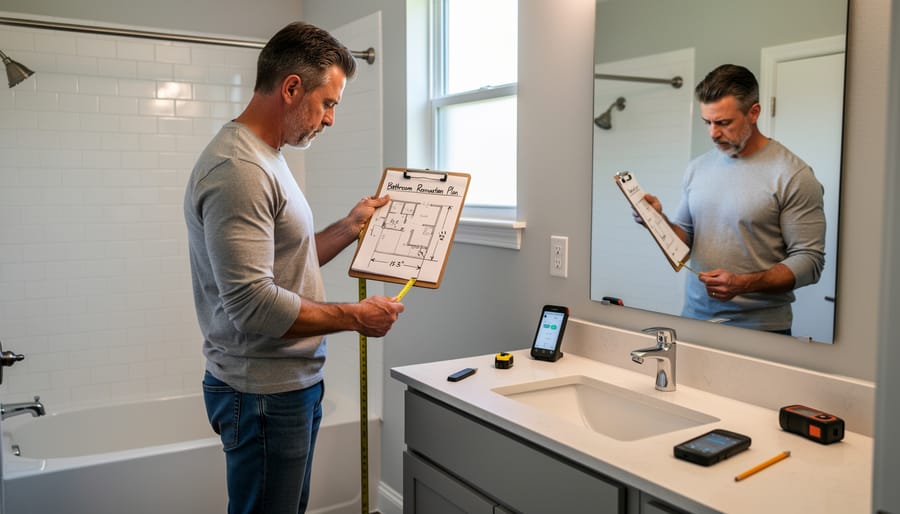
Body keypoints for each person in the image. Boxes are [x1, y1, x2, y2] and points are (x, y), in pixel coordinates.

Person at [183, 22, 404, 513]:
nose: (329, 120)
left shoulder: (268, 156)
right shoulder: (240, 169)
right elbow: (255, 307)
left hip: (284, 385)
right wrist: (355, 316)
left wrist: (349, 226)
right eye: (328, 104)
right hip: (261, 392)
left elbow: (286, 262)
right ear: (291, 88)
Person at [638, 64, 825, 334]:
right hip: (694, 320)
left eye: (723, 123)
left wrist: (745, 283)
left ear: (754, 112)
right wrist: (655, 220)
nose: (713, 133)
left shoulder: (793, 174)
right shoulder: (697, 168)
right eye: (708, 122)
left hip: (761, 330)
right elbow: (684, 240)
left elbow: (810, 260)